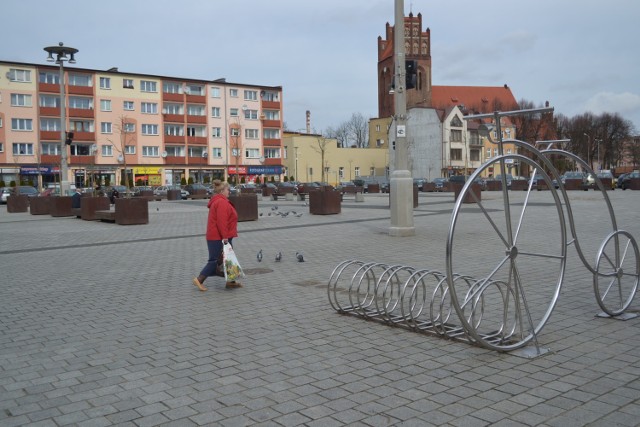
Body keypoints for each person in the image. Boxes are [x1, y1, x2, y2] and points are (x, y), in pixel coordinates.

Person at [193, 179, 241, 291]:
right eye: (228, 189)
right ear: (222, 190)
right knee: (215, 260)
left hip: (222, 236)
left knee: (227, 260)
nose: (229, 191)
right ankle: (199, 279)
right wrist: (224, 237)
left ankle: (231, 281)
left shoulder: (220, 201)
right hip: (218, 237)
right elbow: (222, 221)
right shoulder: (221, 202)